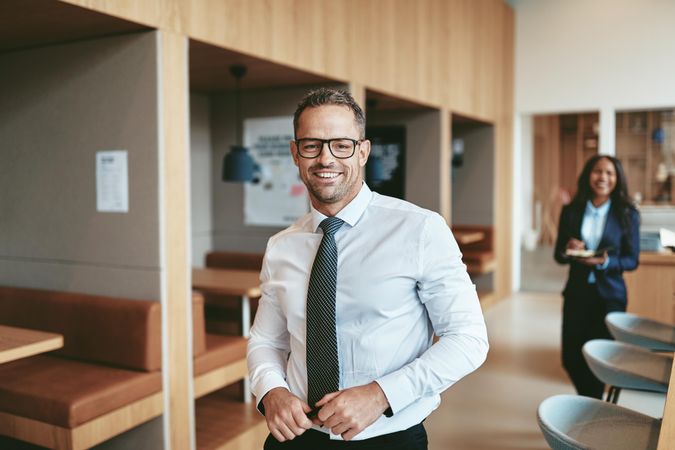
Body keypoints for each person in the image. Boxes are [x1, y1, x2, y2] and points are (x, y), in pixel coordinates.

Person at [247, 87, 489, 450]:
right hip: (295, 438)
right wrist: (271, 391)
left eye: (341, 145)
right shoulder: (282, 245)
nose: (326, 158)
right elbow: (267, 340)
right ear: (295, 154)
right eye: (311, 145)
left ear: (363, 151)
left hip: (387, 435)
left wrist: (380, 395)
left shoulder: (420, 230)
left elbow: (468, 339)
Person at [554, 155, 640, 399]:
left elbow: (631, 260)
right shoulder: (571, 210)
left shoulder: (627, 213)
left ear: (617, 179)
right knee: (571, 357)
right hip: (577, 293)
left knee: (603, 357)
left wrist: (606, 262)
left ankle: (591, 407)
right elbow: (559, 256)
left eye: (609, 173)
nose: (602, 177)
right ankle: (591, 400)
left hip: (610, 297)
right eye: (597, 171)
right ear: (588, 176)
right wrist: (568, 247)